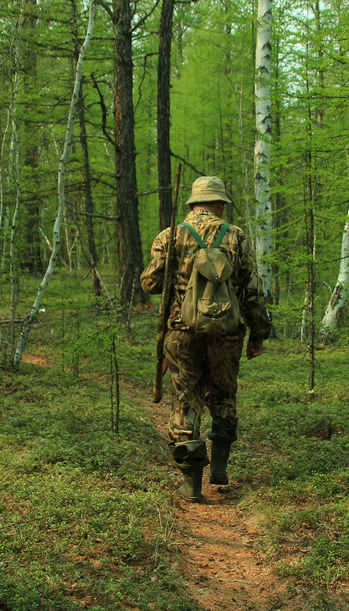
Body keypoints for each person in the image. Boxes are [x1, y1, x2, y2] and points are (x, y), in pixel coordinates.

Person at [140, 175, 272, 502]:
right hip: (226, 333)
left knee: (186, 400)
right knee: (224, 394)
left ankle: (191, 483)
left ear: (192, 203)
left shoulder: (170, 236)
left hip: (180, 333)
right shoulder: (236, 237)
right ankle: (220, 469)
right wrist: (258, 333)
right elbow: (252, 290)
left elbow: (150, 285)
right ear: (219, 204)